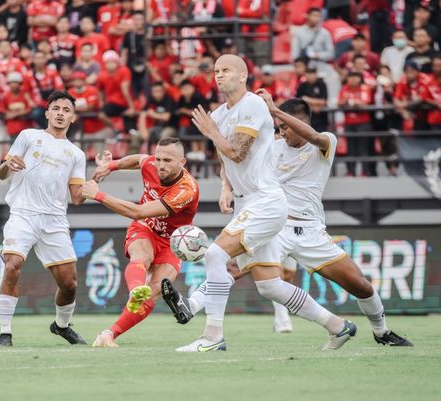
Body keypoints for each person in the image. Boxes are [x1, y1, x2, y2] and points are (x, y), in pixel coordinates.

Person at [161, 54, 356, 352]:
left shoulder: (251, 104)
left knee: (214, 255)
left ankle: (212, 337)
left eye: (226, 70)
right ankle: (337, 326)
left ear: (243, 76)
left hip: (265, 200)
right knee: (269, 285)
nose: (219, 75)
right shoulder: (218, 115)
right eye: (215, 70)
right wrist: (226, 185)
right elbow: (225, 158)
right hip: (245, 203)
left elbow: (238, 152)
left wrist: (212, 133)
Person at [255, 92, 412, 347]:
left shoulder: (325, 142)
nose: (282, 132)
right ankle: (201, 317)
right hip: (277, 227)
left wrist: (275, 110)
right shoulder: (274, 147)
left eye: (285, 127)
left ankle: (381, 332)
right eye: (279, 128)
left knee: (360, 285)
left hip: (310, 231)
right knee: (240, 271)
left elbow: (314, 137)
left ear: (300, 122)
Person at [81, 138, 199, 347]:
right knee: (142, 257)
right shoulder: (152, 163)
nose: (161, 165)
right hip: (145, 226)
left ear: (182, 162)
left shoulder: (185, 190)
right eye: (159, 158)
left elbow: (137, 211)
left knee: (155, 290)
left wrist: (98, 195)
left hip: (171, 242)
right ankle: (136, 288)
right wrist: (112, 165)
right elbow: (139, 160)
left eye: (168, 161)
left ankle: (108, 335)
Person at [0, 91, 87, 347]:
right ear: (47, 113)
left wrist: (97, 179)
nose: (60, 113)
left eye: (66, 110)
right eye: (55, 108)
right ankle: (5, 333)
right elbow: (3, 173)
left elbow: (78, 197)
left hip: (55, 221)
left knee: (69, 284)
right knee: (12, 264)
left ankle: (61, 326)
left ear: (73, 117)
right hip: (23, 214)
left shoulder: (76, 154)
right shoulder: (28, 136)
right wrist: (7, 166)